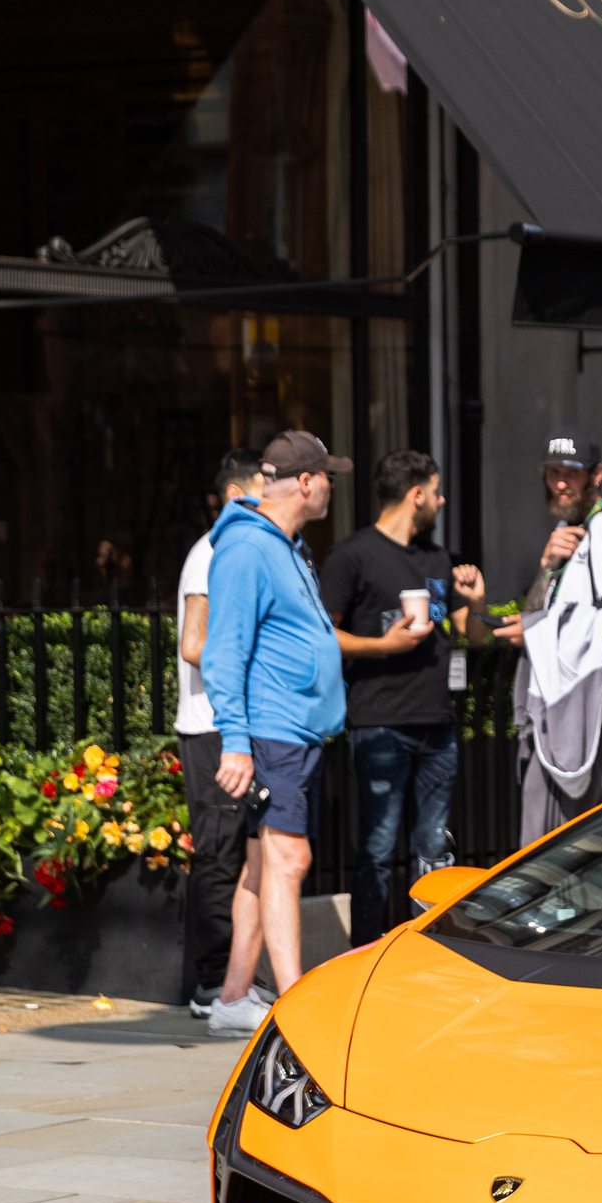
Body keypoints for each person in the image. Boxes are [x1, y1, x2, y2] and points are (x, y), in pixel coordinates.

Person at [201, 430, 349, 1037]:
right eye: (328, 477)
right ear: (307, 483)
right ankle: (294, 1007)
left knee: (263, 865)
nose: (333, 487)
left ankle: (235, 997)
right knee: (292, 859)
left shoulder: (286, 545)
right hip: (274, 731)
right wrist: (236, 739)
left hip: (295, 731)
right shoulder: (246, 550)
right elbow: (222, 652)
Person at [319, 449, 490, 948]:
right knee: (375, 847)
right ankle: (367, 950)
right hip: (379, 723)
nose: (441, 500)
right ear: (416, 495)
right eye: (436, 492)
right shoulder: (350, 557)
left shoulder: (435, 558)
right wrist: (382, 645)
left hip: (437, 724)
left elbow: (465, 634)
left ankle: (432, 948)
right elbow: (324, 636)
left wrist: (475, 601)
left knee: (434, 848)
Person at [499, 428, 602, 846]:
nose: (561, 483)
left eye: (572, 473)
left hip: (587, 709)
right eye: (553, 473)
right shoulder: (566, 534)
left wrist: (542, 630)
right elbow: (534, 616)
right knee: (548, 845)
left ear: (596, 476)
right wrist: (546, 566)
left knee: (580, 843)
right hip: (552, 710)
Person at [175, 448, 269, 1018]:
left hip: (235, 725)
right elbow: (193, 645)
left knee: (242, 854)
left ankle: (233, 981)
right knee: (218, 853)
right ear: (237, 494)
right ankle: (211, 983)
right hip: (212, 727)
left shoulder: (244, 550)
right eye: (264, 487)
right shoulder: (209, 553)